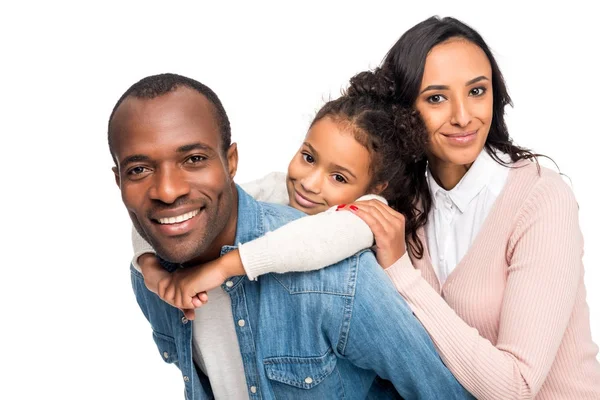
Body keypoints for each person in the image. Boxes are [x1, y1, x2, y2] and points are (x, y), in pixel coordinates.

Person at [109, 72, 472, 399]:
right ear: (119, 181)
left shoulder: (344, 263)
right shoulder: (151, 276)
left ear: (230, 161)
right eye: (139, 169)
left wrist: (223, 267)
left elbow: (441, 391)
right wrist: (151, 270)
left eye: (193, 160)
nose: (168, 191)